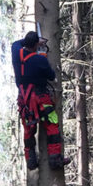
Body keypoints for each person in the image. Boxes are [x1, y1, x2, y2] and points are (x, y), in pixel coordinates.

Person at [11, 31, 65, 170]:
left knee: (28, 130)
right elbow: (51, 76)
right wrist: (43, 58)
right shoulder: (40, 60)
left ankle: (31, 161)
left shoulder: (16, 52)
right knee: (52, 124)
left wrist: (31, 41)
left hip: (24, 100)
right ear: (36, 44)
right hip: (40, 98)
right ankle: (55, 159)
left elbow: (16, 43)